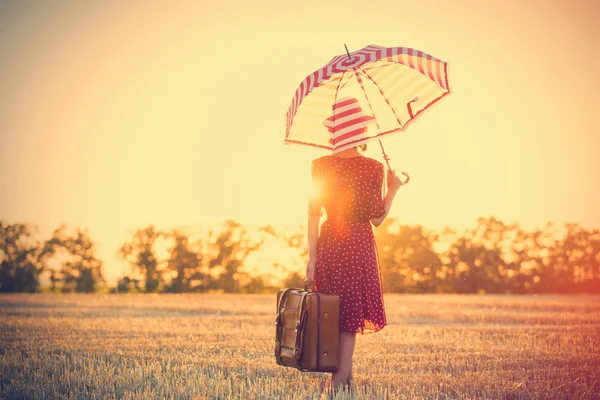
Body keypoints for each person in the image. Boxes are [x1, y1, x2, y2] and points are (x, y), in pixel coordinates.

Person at [305, 135, 408, 396]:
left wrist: (312, 259)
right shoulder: (374, 167)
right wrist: (392, 188)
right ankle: (338, 390)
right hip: (358, 244)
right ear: (361, 134)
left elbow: (313, 216)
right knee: (348, 318)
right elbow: (377, 219)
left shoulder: (320, 164)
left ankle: (345, 388)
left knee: (334, 314)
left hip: (329, 243)